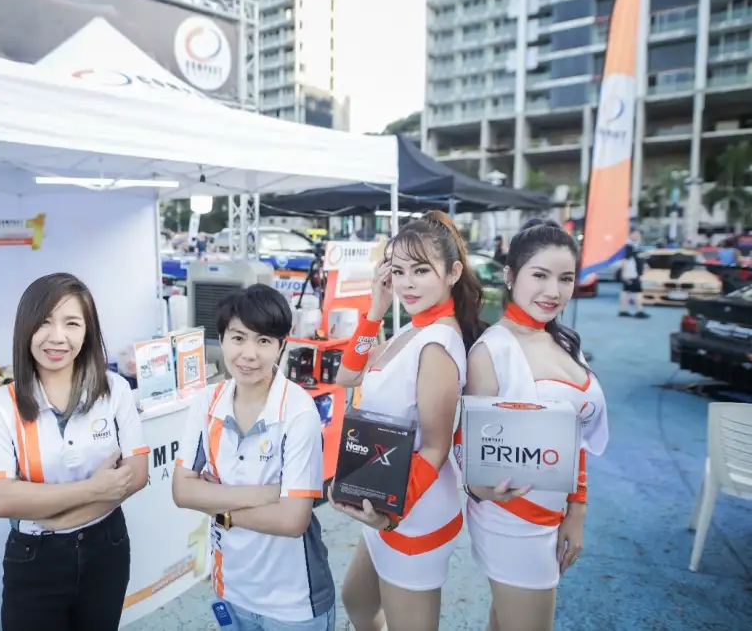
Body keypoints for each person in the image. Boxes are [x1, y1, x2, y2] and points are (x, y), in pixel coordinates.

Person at [331, 211, 484, 631]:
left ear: (453, 273)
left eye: (420, 270)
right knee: (357, 602)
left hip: (412, 513)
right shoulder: (411, 330)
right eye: (398, 271)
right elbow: (347, 376)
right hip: (383, 500)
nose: (407, 283)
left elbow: (435, 448)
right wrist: (376, 309)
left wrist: (392, 515)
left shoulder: (437, 345)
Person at [0, 273, 150, 631]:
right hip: (34, 555)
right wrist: (94, 489)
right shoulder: (1, 404)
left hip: (106, 546)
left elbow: (137, 474)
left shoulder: (115, 389)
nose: (57, 337)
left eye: (71, 323)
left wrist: (63, 519)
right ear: (25, 329)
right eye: (44, 322)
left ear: (87, 332)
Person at [462, 220, 609, 631]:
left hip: (553, 514)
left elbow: (575, 438)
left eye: (565, 278)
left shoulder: (566, 341)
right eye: (540, 275)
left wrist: (577, 509)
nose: (553, 291)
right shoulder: (492, 351)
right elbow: (467, 449)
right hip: (512, 520)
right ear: (510, 276)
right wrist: (480, 486)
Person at [172, 284, 336, 631]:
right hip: (231, 589)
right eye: (238, 338)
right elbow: (182, 492)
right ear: (221, 339)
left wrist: (216, 505)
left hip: (294, 604)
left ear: (281, 345)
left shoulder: (298, 412)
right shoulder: (207, 403)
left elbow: (292, 521)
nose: (248, 354)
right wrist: (268, 494)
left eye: (263, 341)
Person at [618, 230, 649, 318]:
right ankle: (639, 311)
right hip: (632, 273)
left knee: (626, 291)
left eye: (638, 234)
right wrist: (624, 273)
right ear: (630, 234)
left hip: (632, 273)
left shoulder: (634, 246)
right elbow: (625, 260)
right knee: (638, 292)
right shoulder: (628, 246)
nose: (638, 236)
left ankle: (623, 310)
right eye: (635, 234)